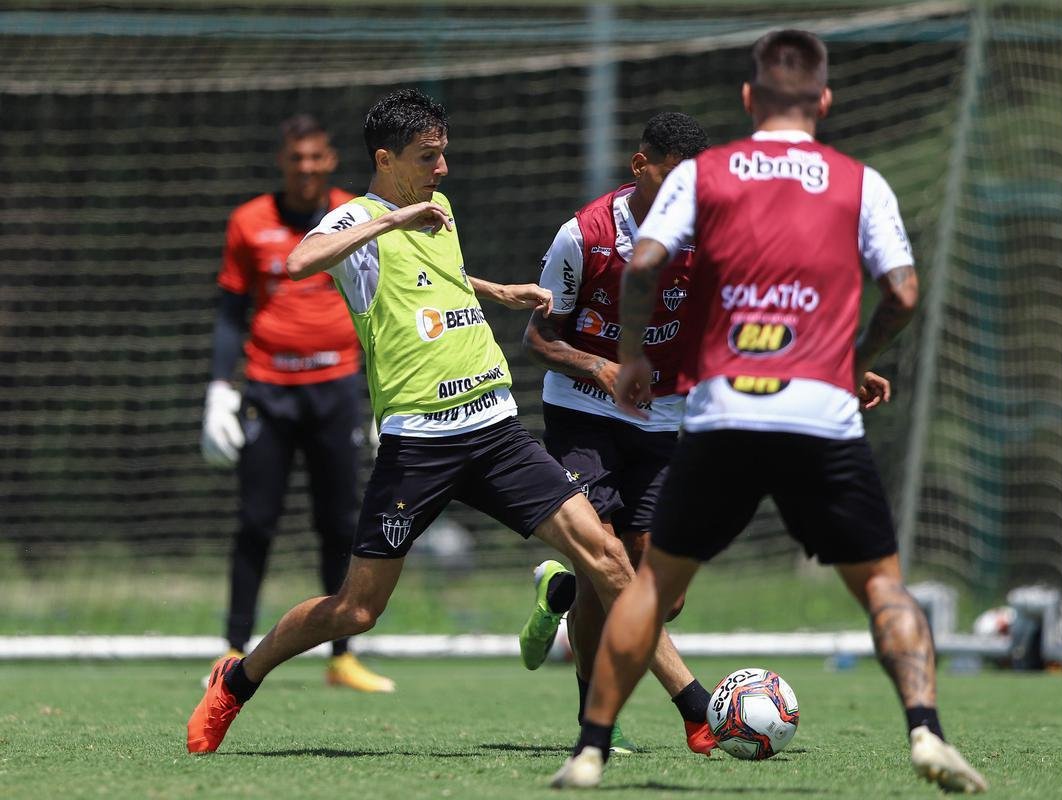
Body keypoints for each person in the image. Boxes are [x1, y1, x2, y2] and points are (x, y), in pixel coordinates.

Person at [187, 89, 716, 757]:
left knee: (606, 557)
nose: (442, 169)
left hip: (494, 429)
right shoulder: (354, 221)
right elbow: (296, 265)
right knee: (357, 609)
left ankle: (698, 713)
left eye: (443, 155)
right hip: (421, 443)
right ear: (386, 158)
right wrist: (391, 220)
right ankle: (237, 680)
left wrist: (500, 293)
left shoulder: (439, 210)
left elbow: (444, 277)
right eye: (427, 157)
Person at [552, 30, 989, 793]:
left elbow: (645, 264)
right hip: (819, 412)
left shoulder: (709, 174)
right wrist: (850, 361)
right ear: (824, 101)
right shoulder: (860, 180)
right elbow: (906, 294)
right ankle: (925, 731)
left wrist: (633, 354)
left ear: (750, 100)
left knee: (651, 588)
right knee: (884, 585)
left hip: (723, 413)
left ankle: (590, 749)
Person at [518, 112, 713, 754]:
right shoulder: (584, 235)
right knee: (607, 556)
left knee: (662, 594)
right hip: (583, 412)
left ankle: (560, 589)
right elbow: (539, 337)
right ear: (640, 166)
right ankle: (594, 719)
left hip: (663, 418)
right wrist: (598, 366)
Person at [200, 114, 393, 693]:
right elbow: (232, 313)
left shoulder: (356, 218)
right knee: (254, 524)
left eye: (316, 158)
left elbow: (387, 306)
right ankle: (233, 650)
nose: (306, 168)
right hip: (268, 391)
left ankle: (342, 657)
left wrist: (389, 395)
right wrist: (218, 389)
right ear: (283, 162)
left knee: (339, 524)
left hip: (336, 391)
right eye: (296, 158)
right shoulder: (248, 222)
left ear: (331, 160)